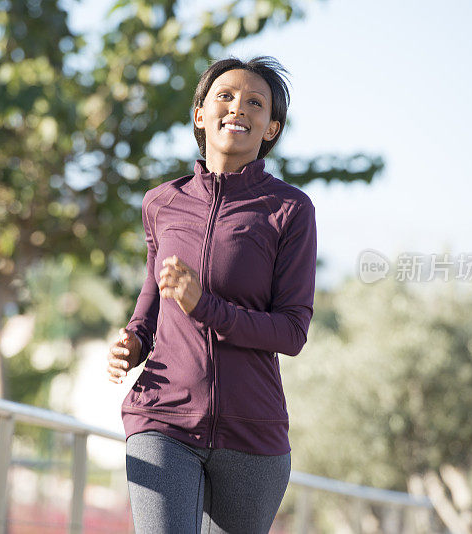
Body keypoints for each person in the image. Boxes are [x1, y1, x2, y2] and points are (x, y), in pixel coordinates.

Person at [106, 56, 317, 534]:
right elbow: (154, 296)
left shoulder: (289, 210)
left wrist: (205, 306)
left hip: (252, 435)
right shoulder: (162, 202)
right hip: (162, 416)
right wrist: (133, 343)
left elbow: (291, 330)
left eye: (255, 102)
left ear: (272, 128)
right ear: (200, 113)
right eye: (225, 95)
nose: (237, 107)